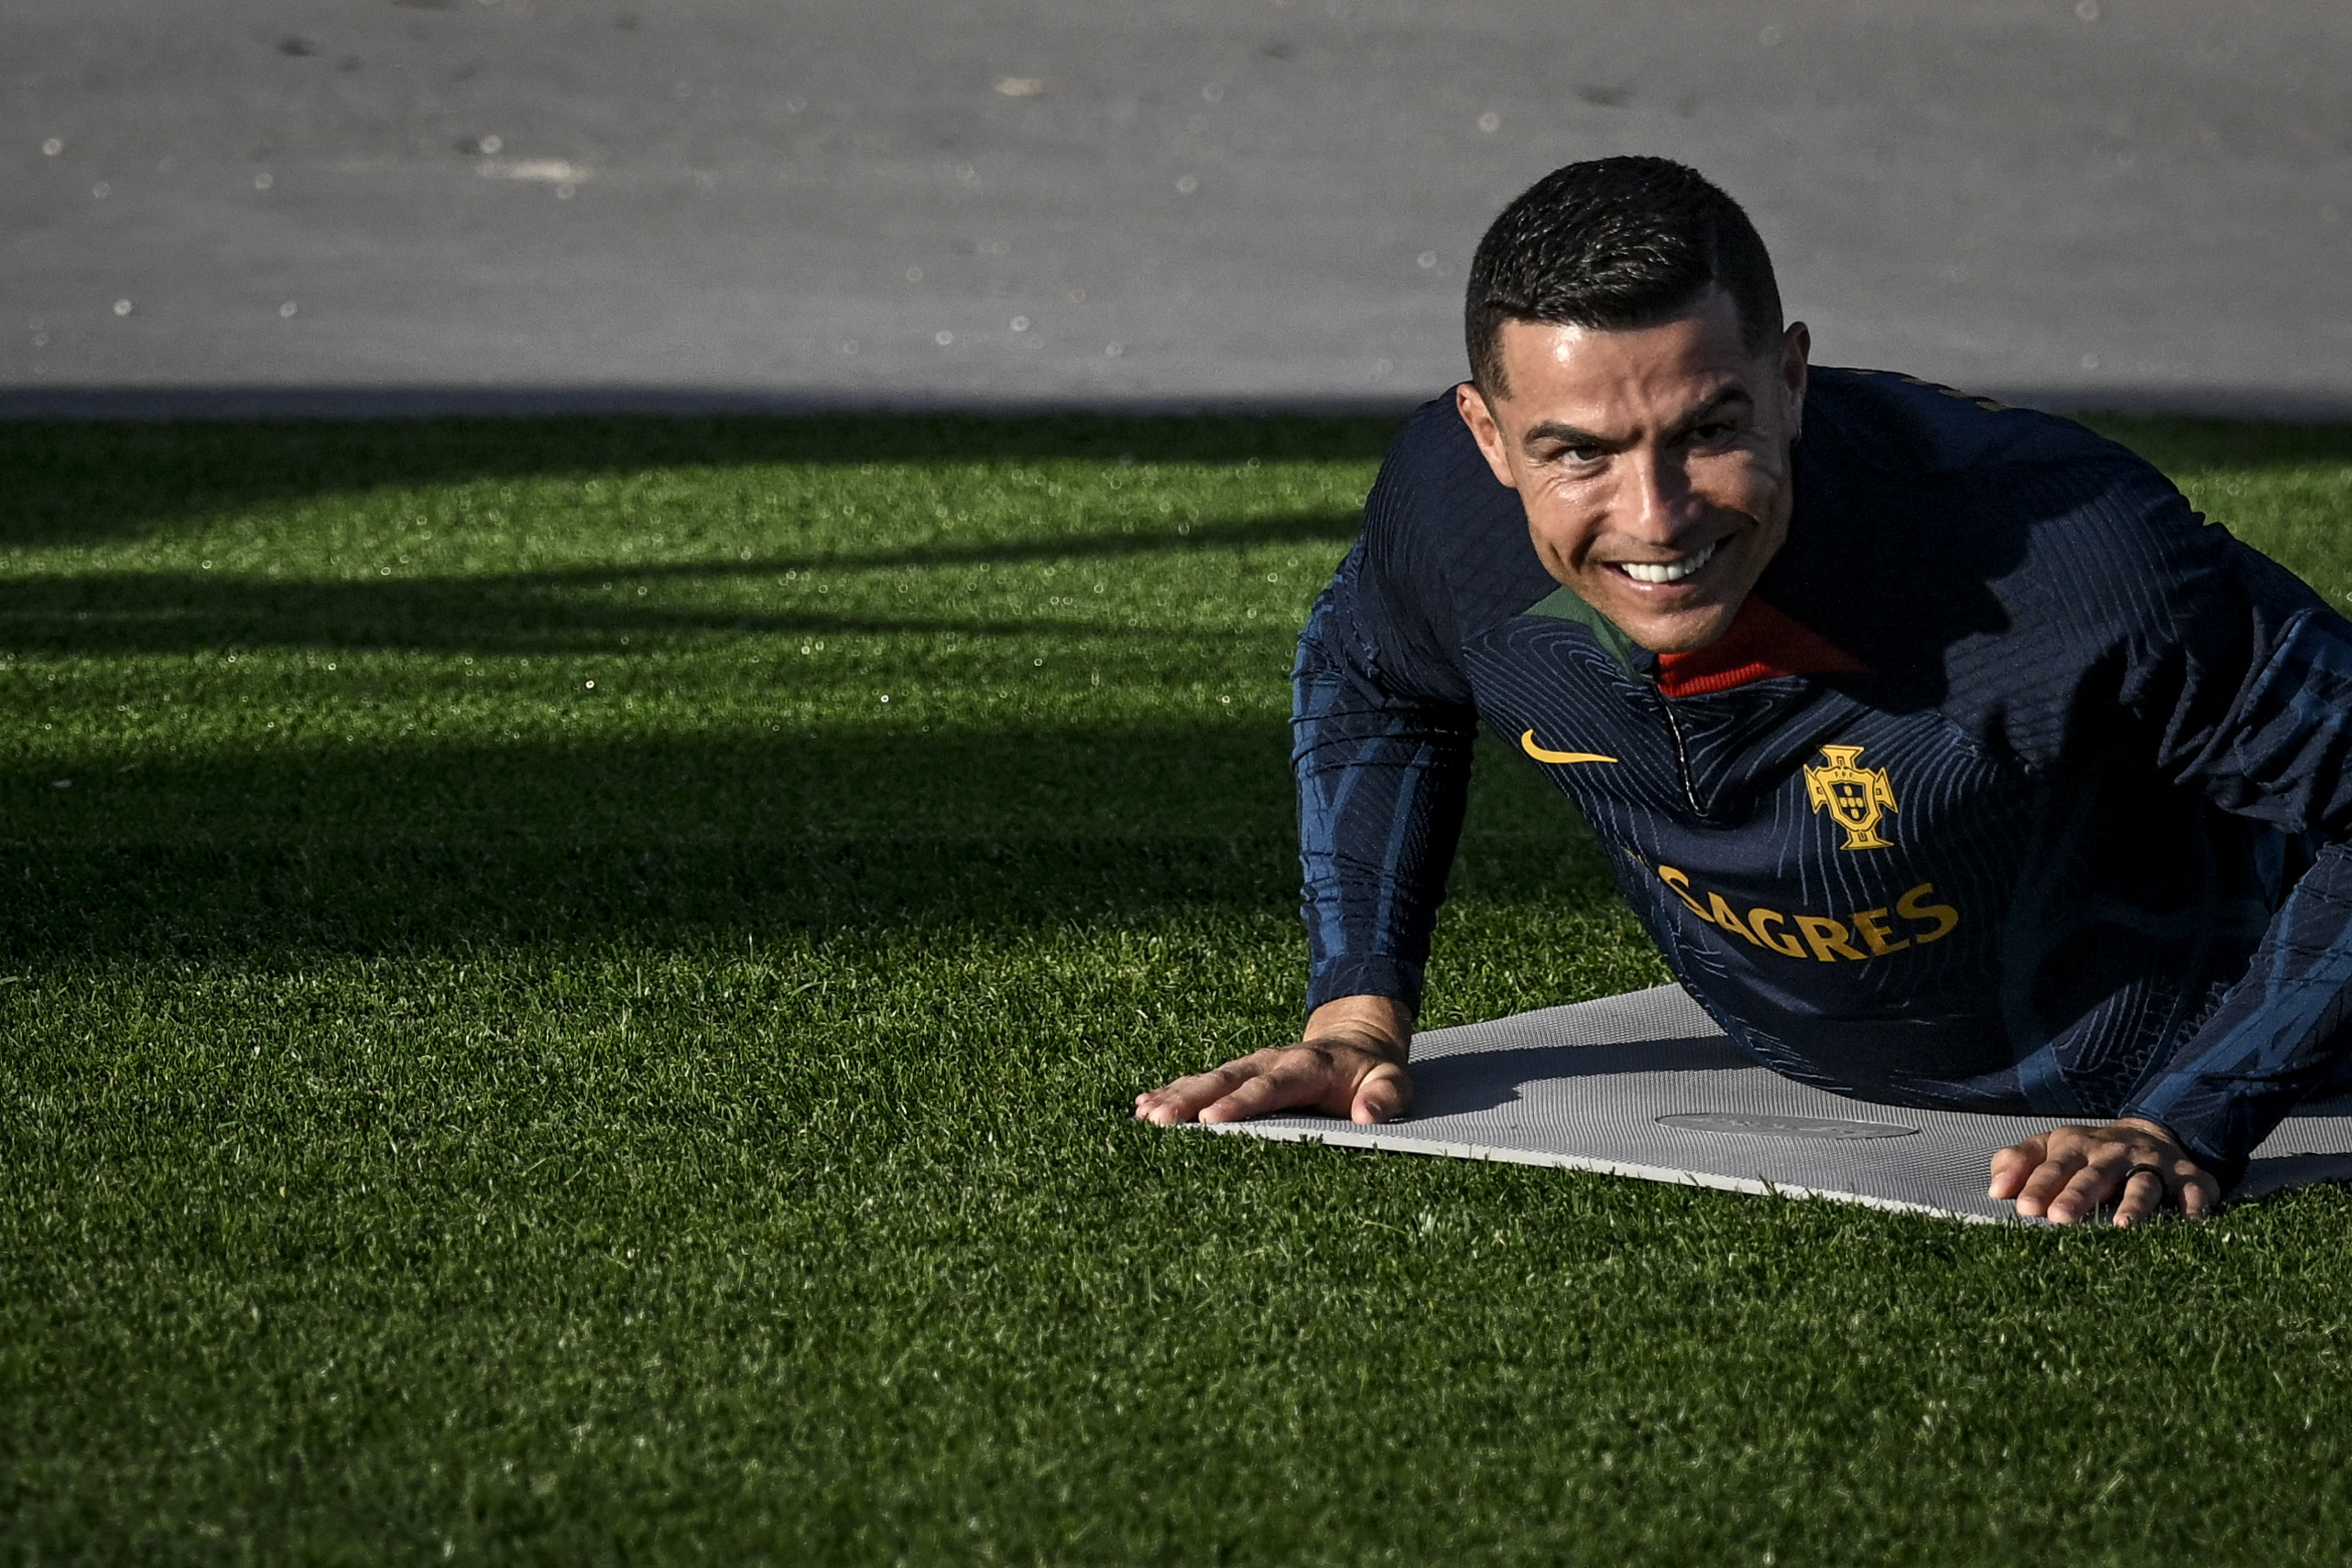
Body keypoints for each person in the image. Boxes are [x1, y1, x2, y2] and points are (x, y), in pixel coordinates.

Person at [1133, 156, 2352, 1226]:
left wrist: (2191, 1114)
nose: (1656, 517)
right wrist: (1357, 1014)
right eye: (1577, 453)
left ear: (1791, 383)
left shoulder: (2067, 553)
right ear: (1489, 439)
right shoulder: (1449, 521)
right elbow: (1369, 668)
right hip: (1825, 1072)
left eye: (1707, 430)